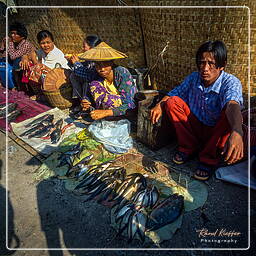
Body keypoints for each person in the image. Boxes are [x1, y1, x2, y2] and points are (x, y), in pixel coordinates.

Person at [150, 40, 244, 181]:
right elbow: (176, 92)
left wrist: (238, 132)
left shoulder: (231, 82)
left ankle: (208, 158)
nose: (205, 68)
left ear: (222, 65)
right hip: (196, 126)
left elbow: (232, 104)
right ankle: (188, 147)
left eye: (211, 63)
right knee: (171, 102)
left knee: (228, 114)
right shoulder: (194, 77)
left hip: (215, 133)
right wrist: (159, 104)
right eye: (202, 62)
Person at [78, 41, 138, 120]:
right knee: (93, 84)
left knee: (109, 100)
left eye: (105, 64)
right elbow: (89, 94)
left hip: (126, 112)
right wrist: (86, 101)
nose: (102, 69)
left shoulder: (122, 74)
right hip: (103, 112)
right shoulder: (95, 74)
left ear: (111, 62)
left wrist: (105, 113)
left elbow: (130, 104)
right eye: (98, 65)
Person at [20, 30, 70, 98]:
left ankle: (43, 95)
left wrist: (35, 62)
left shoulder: (56, 53)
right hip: (49, 76)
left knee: (37, 68)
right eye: (42, 43)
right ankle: (39, 93)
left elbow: (54, 71)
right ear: (39, 44)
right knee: (28, 64)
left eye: (48, 42)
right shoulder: (42, 51)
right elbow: (32, 53)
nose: (46, 45)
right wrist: (24, 57)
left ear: (53, 42)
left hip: (61, 79)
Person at [65, 34, 102, 111]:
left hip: (97, 83)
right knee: (73, 76)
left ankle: (88, 104)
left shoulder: (97, 60)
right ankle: (82, 101)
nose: (82, 49)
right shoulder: (89, 59)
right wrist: (71, 62)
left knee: (86, 82)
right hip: (90, 79)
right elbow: (84, 67)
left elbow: (89, 75)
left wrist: (76, 63)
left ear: (91, 49)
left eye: (84, 47)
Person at [0, 21, 35, 90]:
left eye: (15, 34)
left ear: (22, 36)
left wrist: (9, 43)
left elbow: (13, 56)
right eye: (12, 33)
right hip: (17, 67)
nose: (12, 35)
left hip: (25, 69)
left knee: (18, 62)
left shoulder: (26, 45)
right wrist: (3, 44)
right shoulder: (15, 43)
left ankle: (23, 87)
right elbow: (4, 54)